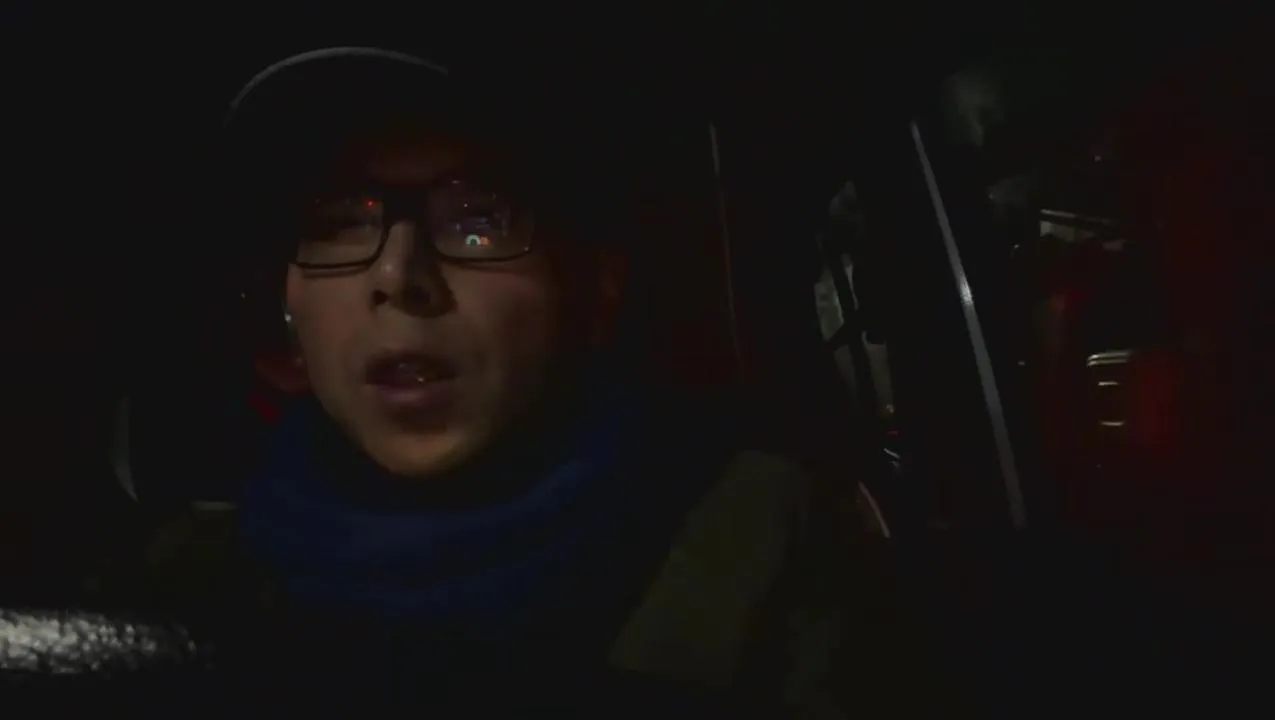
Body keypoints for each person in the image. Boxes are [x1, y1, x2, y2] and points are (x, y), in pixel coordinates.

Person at [103, 48, 866, 714]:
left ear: (593, 292)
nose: (400, 275)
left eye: (478, 217)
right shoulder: (185, 580)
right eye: (340, 220)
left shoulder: (753, 543)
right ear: (288, 305)